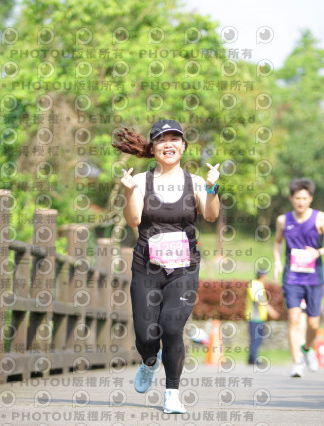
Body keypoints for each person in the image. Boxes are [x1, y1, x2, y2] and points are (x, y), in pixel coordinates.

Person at [113, 119, 220, 414]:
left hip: (184, 268)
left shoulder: (195, 182)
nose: (169, 144)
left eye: (175, 139)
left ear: (184, 146)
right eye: (162, 140)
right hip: (146, 266)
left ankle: (172, 391)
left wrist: (212, 189)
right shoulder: (141, 182)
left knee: (172, 327)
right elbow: (134, 221)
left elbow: (210, 215)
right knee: (147, 335)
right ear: (153, 147)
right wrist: (127, 192)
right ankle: (149, 361)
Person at [273, 178, 324, 378]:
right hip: (292, 277)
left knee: (313, 324)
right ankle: (297, 363)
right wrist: (277, 261)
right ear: (291, 199)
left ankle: (307, 348)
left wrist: (318, 252)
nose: (301, 202)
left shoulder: (321, 218)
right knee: (293, 318)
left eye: (304, 198)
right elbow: (277, 243)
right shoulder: (283, 220)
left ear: (310, 198)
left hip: (314, 277)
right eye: (297, 198)